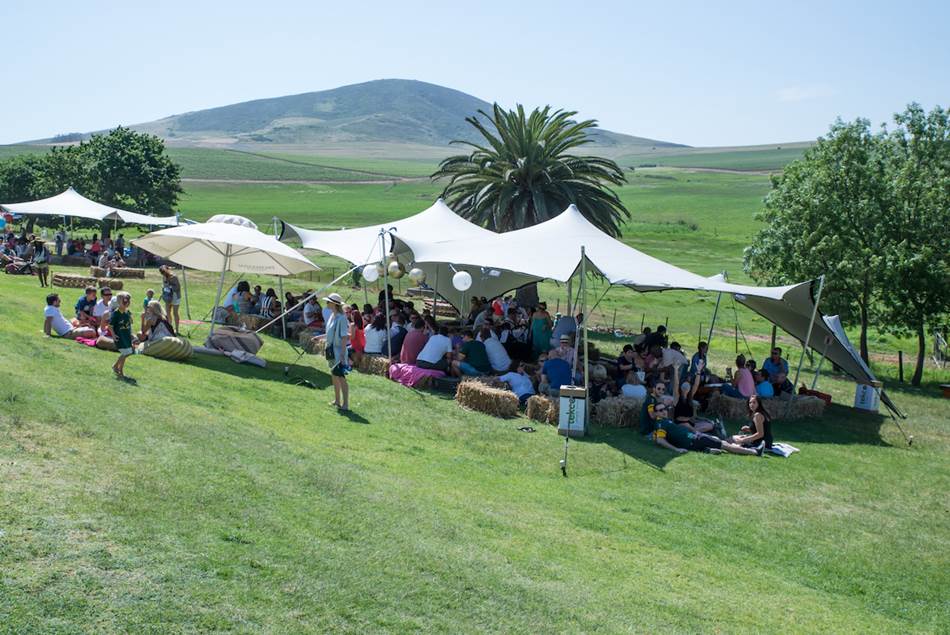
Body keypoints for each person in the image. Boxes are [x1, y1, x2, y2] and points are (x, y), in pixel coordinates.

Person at [651, 403, 760, 456]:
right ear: (655, 413)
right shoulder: (661, 423)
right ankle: (755, 452)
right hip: (694, 439)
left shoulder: (664, 421)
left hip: (693, 439)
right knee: (724, 444)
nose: (664, 411)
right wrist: (676, 449)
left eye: (665, 408)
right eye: (660, 410)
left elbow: (658, 438)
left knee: (717, 440)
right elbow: (660, 440)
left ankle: (706, 449)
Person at [323, 293, 351, 411]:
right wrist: (319, 338)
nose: (327, 303)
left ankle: (345, 404)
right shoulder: (332, 316)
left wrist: (342, 354)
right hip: (331, 350)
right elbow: (329, 333)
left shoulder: (342, 318)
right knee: (334, 375)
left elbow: (344, 337)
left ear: (334, 304)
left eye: (328, 302)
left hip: (338, 351)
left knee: (341, 377)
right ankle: (337, 401)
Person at [110, 292, 135, 381]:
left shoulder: (127, 312)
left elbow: (131, 322)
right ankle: (120, 371)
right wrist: (113, 335)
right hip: (119, 336)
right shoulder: (116, 313)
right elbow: (110, 326)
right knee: (125, 353)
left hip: (126, 335)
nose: (126, 303)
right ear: (118, 302)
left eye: (128, 301)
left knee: (128, 352)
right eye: (124, 301)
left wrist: (130, 317)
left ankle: (115, 366)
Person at [158, 265, 182, 335]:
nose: (163, 274)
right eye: (162, 273)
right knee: (168, 312)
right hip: (167, 296)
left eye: (164, 272)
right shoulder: (164, 277)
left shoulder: (174, 277)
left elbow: (178, 287)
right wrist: (164, 288)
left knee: (175, 313)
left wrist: (169, 286)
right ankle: (169, 328)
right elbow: (164, 285)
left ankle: (177, 330)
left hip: (175, 296)